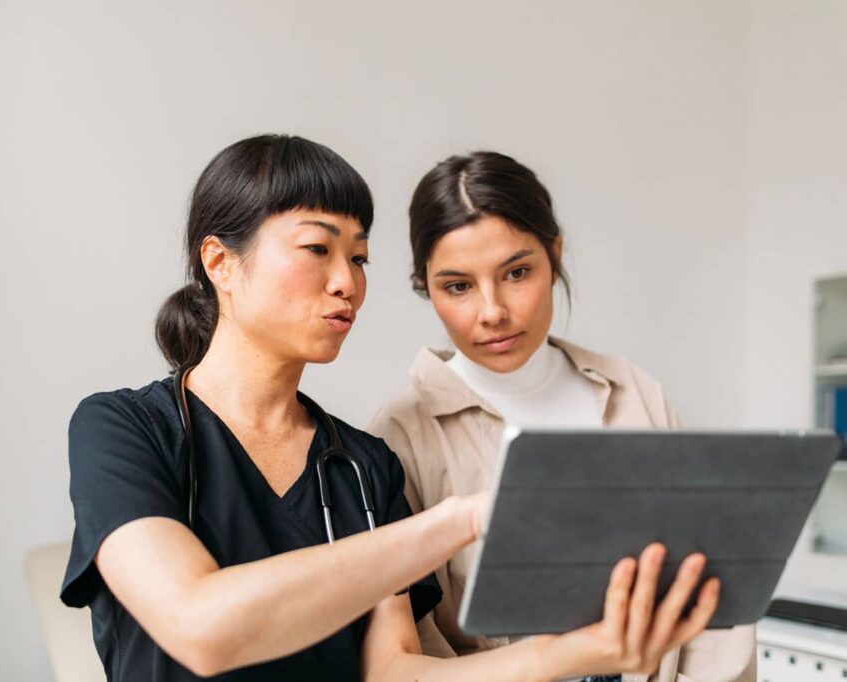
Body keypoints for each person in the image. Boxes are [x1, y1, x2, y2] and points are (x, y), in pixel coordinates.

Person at [60, 134, 721, 681]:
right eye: (318, 249)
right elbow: (202, 628)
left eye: (359, 257)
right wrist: (467, 517)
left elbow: (397, 676)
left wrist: (586, 654)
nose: (347, 282)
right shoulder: (123, 430)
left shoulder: (362, 466)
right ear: (220, 262)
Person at [369, 150, 757, 681]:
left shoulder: (636, 394)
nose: (492, 311)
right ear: (426, 286)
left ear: (555, 253)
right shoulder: (395, 441)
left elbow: (712, 600)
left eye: (517, 272)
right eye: (458, 286)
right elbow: (413, 653)